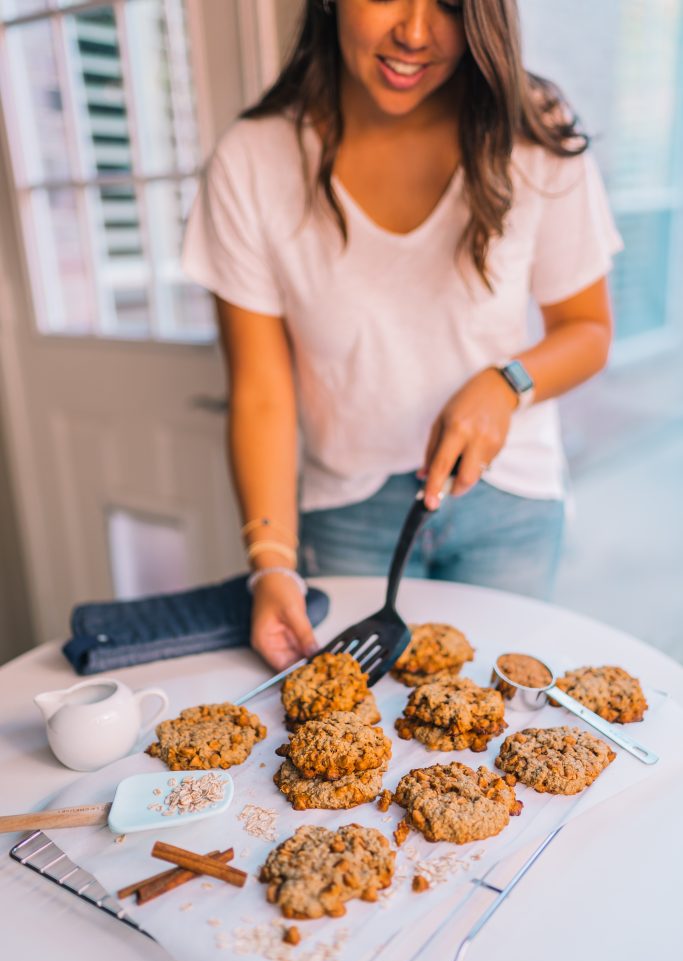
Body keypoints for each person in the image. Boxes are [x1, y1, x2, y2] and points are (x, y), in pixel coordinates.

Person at [182, 0, 622, 671]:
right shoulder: (251, 160)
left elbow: (586, 331)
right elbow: (261, 391)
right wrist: (270, 566)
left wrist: (508, 384)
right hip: (346, 510)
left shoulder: (530, 131)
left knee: (498, 733)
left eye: (449, 5)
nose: (414, 34)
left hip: (510, 501)